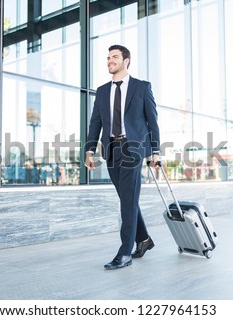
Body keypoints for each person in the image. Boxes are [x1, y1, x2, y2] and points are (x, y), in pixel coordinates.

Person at [84, 45, 160, 270]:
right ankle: (143, 239)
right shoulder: (102, 90)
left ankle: (124, 252)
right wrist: (89, 151)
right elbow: (95, 123)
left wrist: (155, 152)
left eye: (115, 57)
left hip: (133, 148)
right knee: (127, 199)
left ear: (126, 61)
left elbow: (152, 122)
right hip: (111, 150)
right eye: (108, 58)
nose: (110, 61)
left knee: (127, 200)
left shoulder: (141, 87)